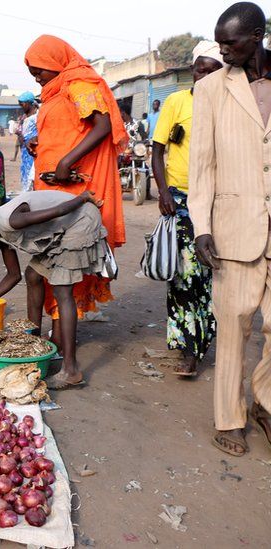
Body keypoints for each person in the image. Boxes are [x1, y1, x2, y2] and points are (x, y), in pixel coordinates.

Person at [188, 1, 271, 457]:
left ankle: (265, 404)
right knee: (234, 326)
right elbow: (202, 166)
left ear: (257, 35)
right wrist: (202, 226)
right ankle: (229, 418)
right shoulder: (213, 89)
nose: (223, 50)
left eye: (230, 42)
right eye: (219, 42)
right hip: (234, 229)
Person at [0, 190, 111, 389]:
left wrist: (83, 197)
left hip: (80, 221)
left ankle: (70, 370)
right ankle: (33, 341)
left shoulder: (10, 221)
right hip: (60, 231)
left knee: (62, 291)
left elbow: (58, 210)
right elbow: (14, 275)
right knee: (32, 275)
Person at [24, 34, 127, 328]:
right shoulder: (57, 92)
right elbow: (68, 131)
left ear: (55, 63)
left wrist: (66, 161)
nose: (38, 80)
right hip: (53, 188)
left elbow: (102, 125)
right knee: (50, 265)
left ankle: (60, 343)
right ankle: (50, 340)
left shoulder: (79, 84)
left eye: (39, 72)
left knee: (62, 267)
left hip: (74, 189)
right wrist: (40, 145)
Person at [151, 42, 224, 379]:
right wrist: (163, 192)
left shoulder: (228, 105)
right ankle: (187, 348)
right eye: (199, 69)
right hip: (180, 199)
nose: (203, 76)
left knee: (209, 277)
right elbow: (157, 150)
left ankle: (202, 343)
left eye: (211, 70)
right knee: (182, 275)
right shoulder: (176, 101)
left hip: (219, 199)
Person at [18, 91, 39, 193]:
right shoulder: (23, 118)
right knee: (26, 179)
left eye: (22, 104)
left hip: (33, 152)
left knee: (34, 178)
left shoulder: (37, 118)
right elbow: (22, 139)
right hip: (25, 154)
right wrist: (19, 135)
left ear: (28, 103)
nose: (20, 106)